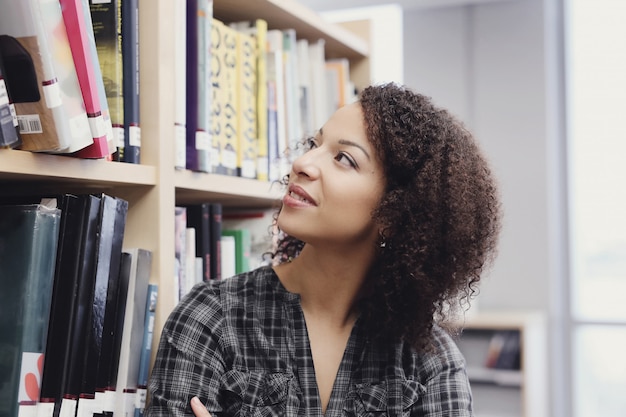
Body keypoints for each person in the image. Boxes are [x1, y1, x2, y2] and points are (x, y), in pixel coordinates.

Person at [145, 82, 502, 417]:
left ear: (396, 212)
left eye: (344, 158)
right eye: (315, 145)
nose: (302, 164)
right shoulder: (211, 318)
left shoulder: (430, 364)